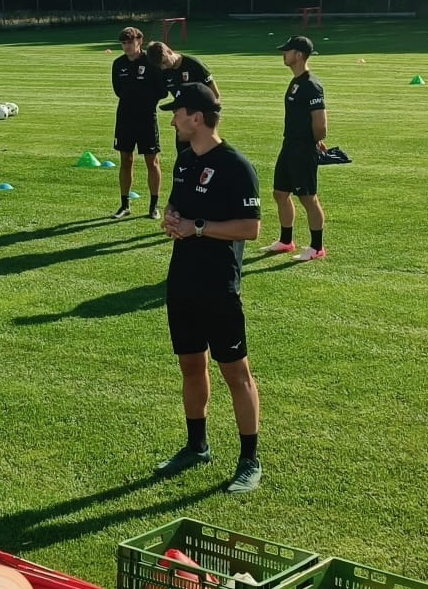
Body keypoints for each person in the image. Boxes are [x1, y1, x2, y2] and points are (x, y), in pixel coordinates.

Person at [153, 83, 265, 494]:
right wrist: (172, 216)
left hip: (219, 286)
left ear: (196, 117)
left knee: (236, 372)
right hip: (182, 280)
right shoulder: (184, 161)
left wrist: (197, 228)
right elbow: (178, 204)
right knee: (190, 365)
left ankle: (250, 459)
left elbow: (251, 229)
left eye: (177, 112)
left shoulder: (236, 166)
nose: (172, 119)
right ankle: (196, 445)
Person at [262, 34, 329, 262]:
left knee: (308, 197)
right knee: (280, 193)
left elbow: (320, 123)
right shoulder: (296, 82)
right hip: (289, 145)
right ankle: (286, 240)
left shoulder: (311, 85)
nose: (284, 53)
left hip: (302, 148)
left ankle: (317, 247)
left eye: (287, 50)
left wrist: (314, 142)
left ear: (298, 55)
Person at [110, 26, 163, 219]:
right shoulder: (118, 64)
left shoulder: (151, 62)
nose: (126, 47)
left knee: (152, 161)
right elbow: (118, 90)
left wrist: (146, 102)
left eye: (130, 42)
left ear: (139, 41)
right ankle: (124, 205)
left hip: (147, 117)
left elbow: (162, 90)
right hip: (125, 117)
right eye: (123, 43)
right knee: (126, 160)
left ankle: (154, 206)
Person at [145, 39, 219, 106]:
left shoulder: (194, 64)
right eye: (160, 65)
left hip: (201, 111)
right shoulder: (163, 71)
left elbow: (215, 94)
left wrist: (213, 114)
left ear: (169, 51)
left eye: (164, 62)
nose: (163, 67)